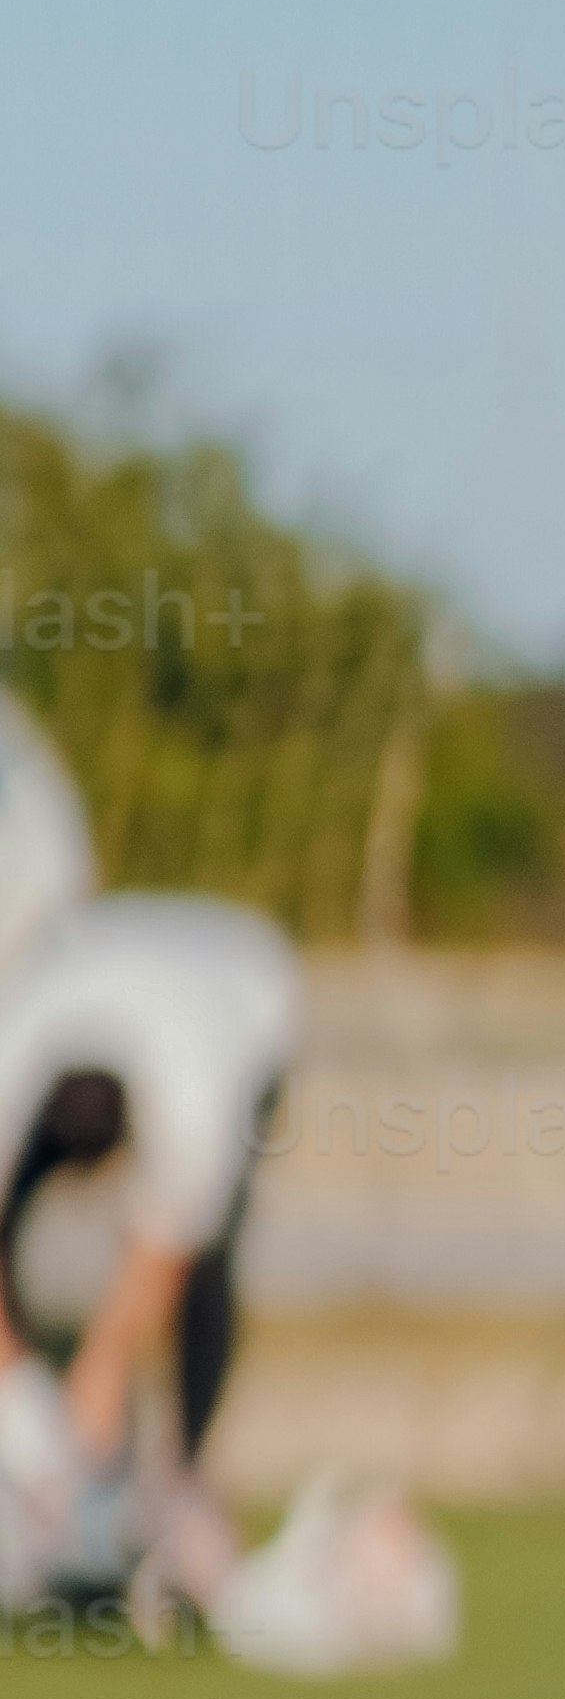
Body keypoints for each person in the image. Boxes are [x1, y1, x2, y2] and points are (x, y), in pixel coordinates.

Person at [0, 686, 301, 1632]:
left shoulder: (197, 1082)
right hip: (100, 962)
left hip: (253, 994)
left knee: (205, 1268)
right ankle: (54, 1499)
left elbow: (166, 1240)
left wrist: (95, 1373)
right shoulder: (18, 1042)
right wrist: (17, 1397)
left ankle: (179, 1485)